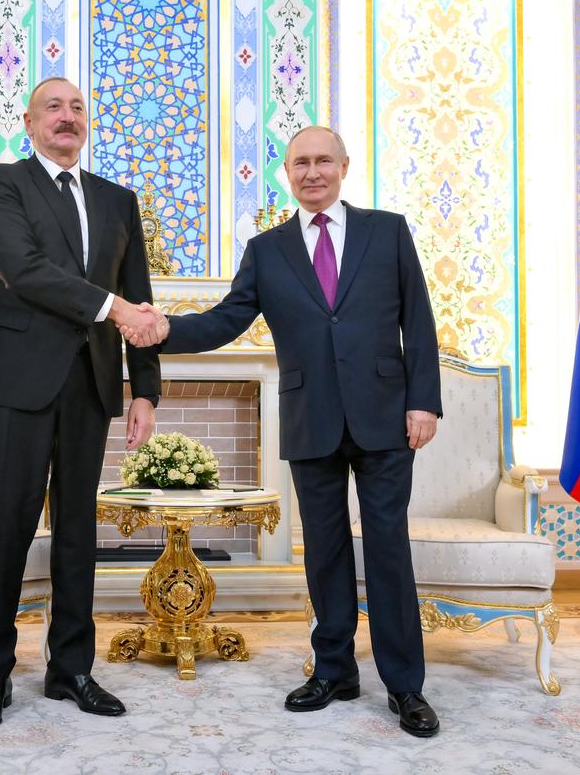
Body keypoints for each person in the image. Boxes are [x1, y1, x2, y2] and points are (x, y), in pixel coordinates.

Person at [124, 125, 443, 738]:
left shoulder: (389, 231)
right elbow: (226, 321)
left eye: (324, 160)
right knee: (323, 552)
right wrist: (164, 330)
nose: (312, 172)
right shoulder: (267, 250)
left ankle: (406, 687)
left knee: (387, 551)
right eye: (301, 163)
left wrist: (423, 402)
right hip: (311, 417)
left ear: (344, 166)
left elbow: (418, 322)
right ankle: (334, 671)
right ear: (288, 173)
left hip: (385, 415)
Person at [0, 77, 164, 735]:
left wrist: (146, 390)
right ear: (29, 122)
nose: (67, 117)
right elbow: (25, 269)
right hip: (17, 380)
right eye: (54, 107)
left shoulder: (117, 201)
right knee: (10, 529)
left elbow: (140, 293)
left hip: (91, 385)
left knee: (79, 533)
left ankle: (71, 668)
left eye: (78, 108)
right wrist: (113, 308)